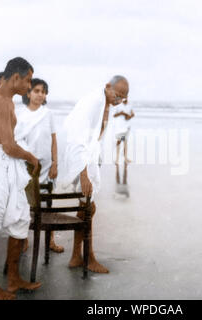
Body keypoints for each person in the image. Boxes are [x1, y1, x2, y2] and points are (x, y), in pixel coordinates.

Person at [0, 57, 41, 300]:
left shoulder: (8, 102)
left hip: (4, 163)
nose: (29, 85)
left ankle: (13, 279)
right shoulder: (0, 101)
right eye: (28, 80)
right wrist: (31, 157)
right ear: (15, 78)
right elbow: (9, 146)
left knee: (20, 218)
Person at [57, 75, 129, 273]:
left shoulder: (106, 103)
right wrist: (83, 175)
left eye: (123, 98)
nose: (119, 100)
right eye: (117, 94)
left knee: (86, 207)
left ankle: (76, 257)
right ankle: (88, 258)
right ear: (107, 86)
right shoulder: (93, 103)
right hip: (78, 157)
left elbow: (95, 138)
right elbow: (77, 138)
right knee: (89, 208)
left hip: (89, 156)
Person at [15, 78, 63, 253]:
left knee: (47, 202)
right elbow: (17, 141)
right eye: (36, 91)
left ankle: (50, 240)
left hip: (46, 165)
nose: (40, 94)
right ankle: (23, 238)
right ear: (28, 93)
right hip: (26, 165)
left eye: (43, 91)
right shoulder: (20, 114)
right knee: (25, 203)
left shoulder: (48, 113)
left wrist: (55, 163)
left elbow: (53, 139)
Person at [113, 99, 134, 165]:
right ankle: (117, 159)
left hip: (127, 126)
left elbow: (132, 114)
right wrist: (121, 113)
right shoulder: (119, 105)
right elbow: (114, 115)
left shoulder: (129, 105)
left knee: (125, 142)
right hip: (119, 127)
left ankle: (125, 158)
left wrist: (129, 116)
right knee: (119, 141)